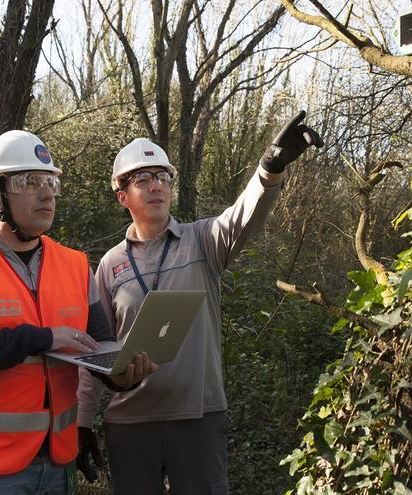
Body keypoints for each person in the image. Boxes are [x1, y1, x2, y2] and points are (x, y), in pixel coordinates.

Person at [76, 111, 323, 494]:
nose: (156, 186)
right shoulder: (110, 265)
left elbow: (244, 217)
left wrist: (269, 169)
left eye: (162, 177)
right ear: (123, 196)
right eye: (143, 179)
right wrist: (81, 421)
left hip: (197, 416)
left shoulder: (203, 240)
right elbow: (97, 349)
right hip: (129, 422)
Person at [0, 129, 156, 495]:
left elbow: (100, 343)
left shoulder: (74, 266)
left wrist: (120, 375)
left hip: (57, 467)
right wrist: (37, 338)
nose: (46, 194)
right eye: (30, 182)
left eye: (50, 183)